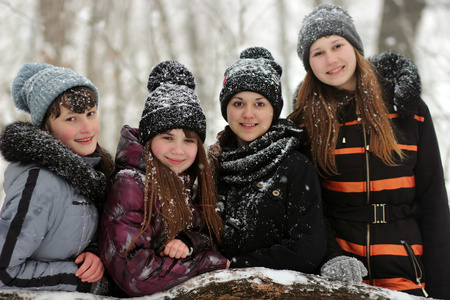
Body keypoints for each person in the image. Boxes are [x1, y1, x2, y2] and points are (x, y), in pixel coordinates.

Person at [288, 4, 450, 299]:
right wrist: (332, 257)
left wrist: (443, 287)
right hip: (343, 278)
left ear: (355, 47)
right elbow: (308, 209)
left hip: (408, 272)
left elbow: (434, 201)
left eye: (338, 45)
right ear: (309, 63)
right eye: (318, 52)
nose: (331, 59)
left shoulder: (407, 109)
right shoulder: (305, 123)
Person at [99, 60, 229, 297]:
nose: (178, 150)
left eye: (189, 140)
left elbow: (209, 234)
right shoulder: (130, 184)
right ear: (149, 139)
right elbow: (136, 275)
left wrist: (189, 241)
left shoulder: (187, 182)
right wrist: (208, 262)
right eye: (168, 138)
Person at [208, 46, 327, 273]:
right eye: (238, 103)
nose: (248, 114)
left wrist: (238, 265)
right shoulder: (213, 165)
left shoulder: (295, 166)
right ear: (226, 109)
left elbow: (308, 249)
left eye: (259, 104)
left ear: (274, 110)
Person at [0, 63, 114, 294]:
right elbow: (4, 271)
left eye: (90, 114)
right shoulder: (41, 184)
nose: (87, 128)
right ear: (46, 128)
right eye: (71, 119)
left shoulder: (92, 176)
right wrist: (80, 280)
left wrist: (94, 253)